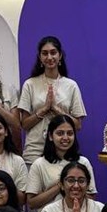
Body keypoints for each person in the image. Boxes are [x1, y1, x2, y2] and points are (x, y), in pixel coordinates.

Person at [18, 36, 87, 165]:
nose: (49, 57)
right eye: (45, 53)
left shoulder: (71, 85)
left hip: (63, 152)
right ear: (40, 57)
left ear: (60, 56)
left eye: (53, 52)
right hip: (35, 152)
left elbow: (77, 125)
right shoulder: (30, 84)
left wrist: (56, 109)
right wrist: (44, 109)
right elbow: (24, 124)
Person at [26, 114, 98, 212]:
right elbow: (32, 203)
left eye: (70, 133)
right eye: (60, 133)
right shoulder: (39, 164)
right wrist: (60, 185)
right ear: (50, 136)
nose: (65, 137)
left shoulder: (83, 162)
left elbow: (91, 199)